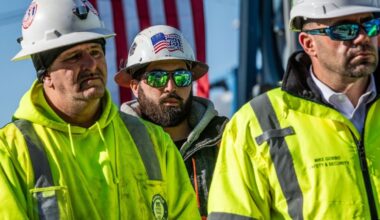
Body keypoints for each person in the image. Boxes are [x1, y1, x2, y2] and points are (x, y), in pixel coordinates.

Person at [0, 0, 200, 219]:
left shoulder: (153, 141)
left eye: (95, 52)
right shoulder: (9, 153)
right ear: (45, 73)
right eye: (74, 56)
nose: (91, 64)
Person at [208, 0, 380, 219]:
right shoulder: (256, 123)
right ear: (308, 44)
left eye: (372, 25)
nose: (363, 37)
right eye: (344, 30)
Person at [115, 25, 229, 218]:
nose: (170, 87)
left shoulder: (225, 138)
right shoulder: (116, 143)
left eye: (181, 77)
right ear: (135, 87)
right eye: (157, 77)